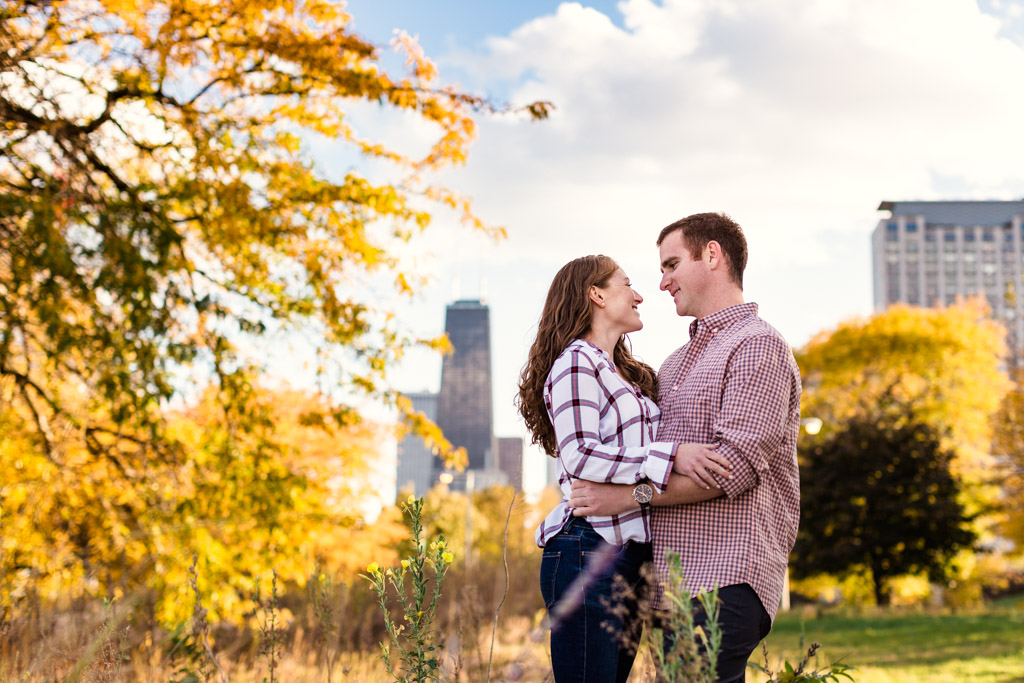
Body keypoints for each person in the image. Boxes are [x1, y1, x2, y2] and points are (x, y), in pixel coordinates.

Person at [568, 213, 802, 683]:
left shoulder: (756, 346)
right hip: (671, 585)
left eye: (671, 265)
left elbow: (730, 469)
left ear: (711, 255)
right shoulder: (674, 365)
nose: (661, 282)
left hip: (724, 576)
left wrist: (622, 497)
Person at [516, 254, 731, 683]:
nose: (639, 295)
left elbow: (641, 490)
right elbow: (579, 455)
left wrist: (655, 481)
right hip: (585, 550)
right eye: (627, 284)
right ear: (596, 294)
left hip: (631, 557)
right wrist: (672, 456)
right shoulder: (576, 362)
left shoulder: (629, 377)